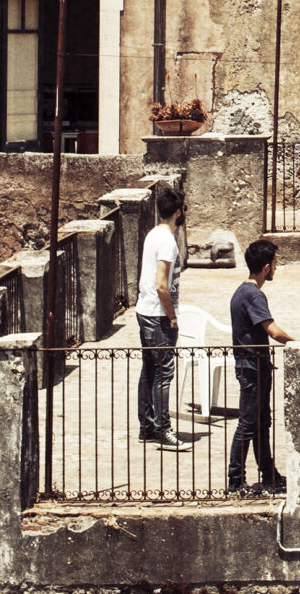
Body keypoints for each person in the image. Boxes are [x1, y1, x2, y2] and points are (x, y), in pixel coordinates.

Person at [226, 237, 294, 495]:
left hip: (254, 366)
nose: (275, 268)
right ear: (266, 267)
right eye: (275, 264)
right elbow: (273, 331)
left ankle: (269, 474)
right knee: (248, 424)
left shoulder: (242, 291)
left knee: (261, 422)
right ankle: (235, 480)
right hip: (252, 367)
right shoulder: (254, 295)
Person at [134, 186, 185, 446]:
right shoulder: (167, 241)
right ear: (178, 212)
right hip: (157, 315)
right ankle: (164, 429)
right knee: (164, 373)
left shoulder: (153, 234)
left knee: (150, 370)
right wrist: (172, 316)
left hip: (144, 311)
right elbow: (162, 284)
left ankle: (147, 426)